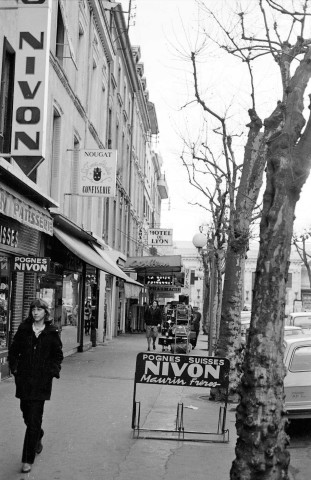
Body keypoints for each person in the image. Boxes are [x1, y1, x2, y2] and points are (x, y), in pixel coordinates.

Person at [8, 298, 63, 474]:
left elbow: (57, 355)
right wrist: (15, 368)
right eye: (33, 309)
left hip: (41, 383)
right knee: (26, 413)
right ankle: (38, 435)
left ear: (45, 312)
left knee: (33, 420)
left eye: (39, 309)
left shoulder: (52, 332)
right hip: (24, 381)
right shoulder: (24, 329)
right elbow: (13, 351)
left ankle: (27, 460)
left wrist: (52, 371)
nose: (35, 312)